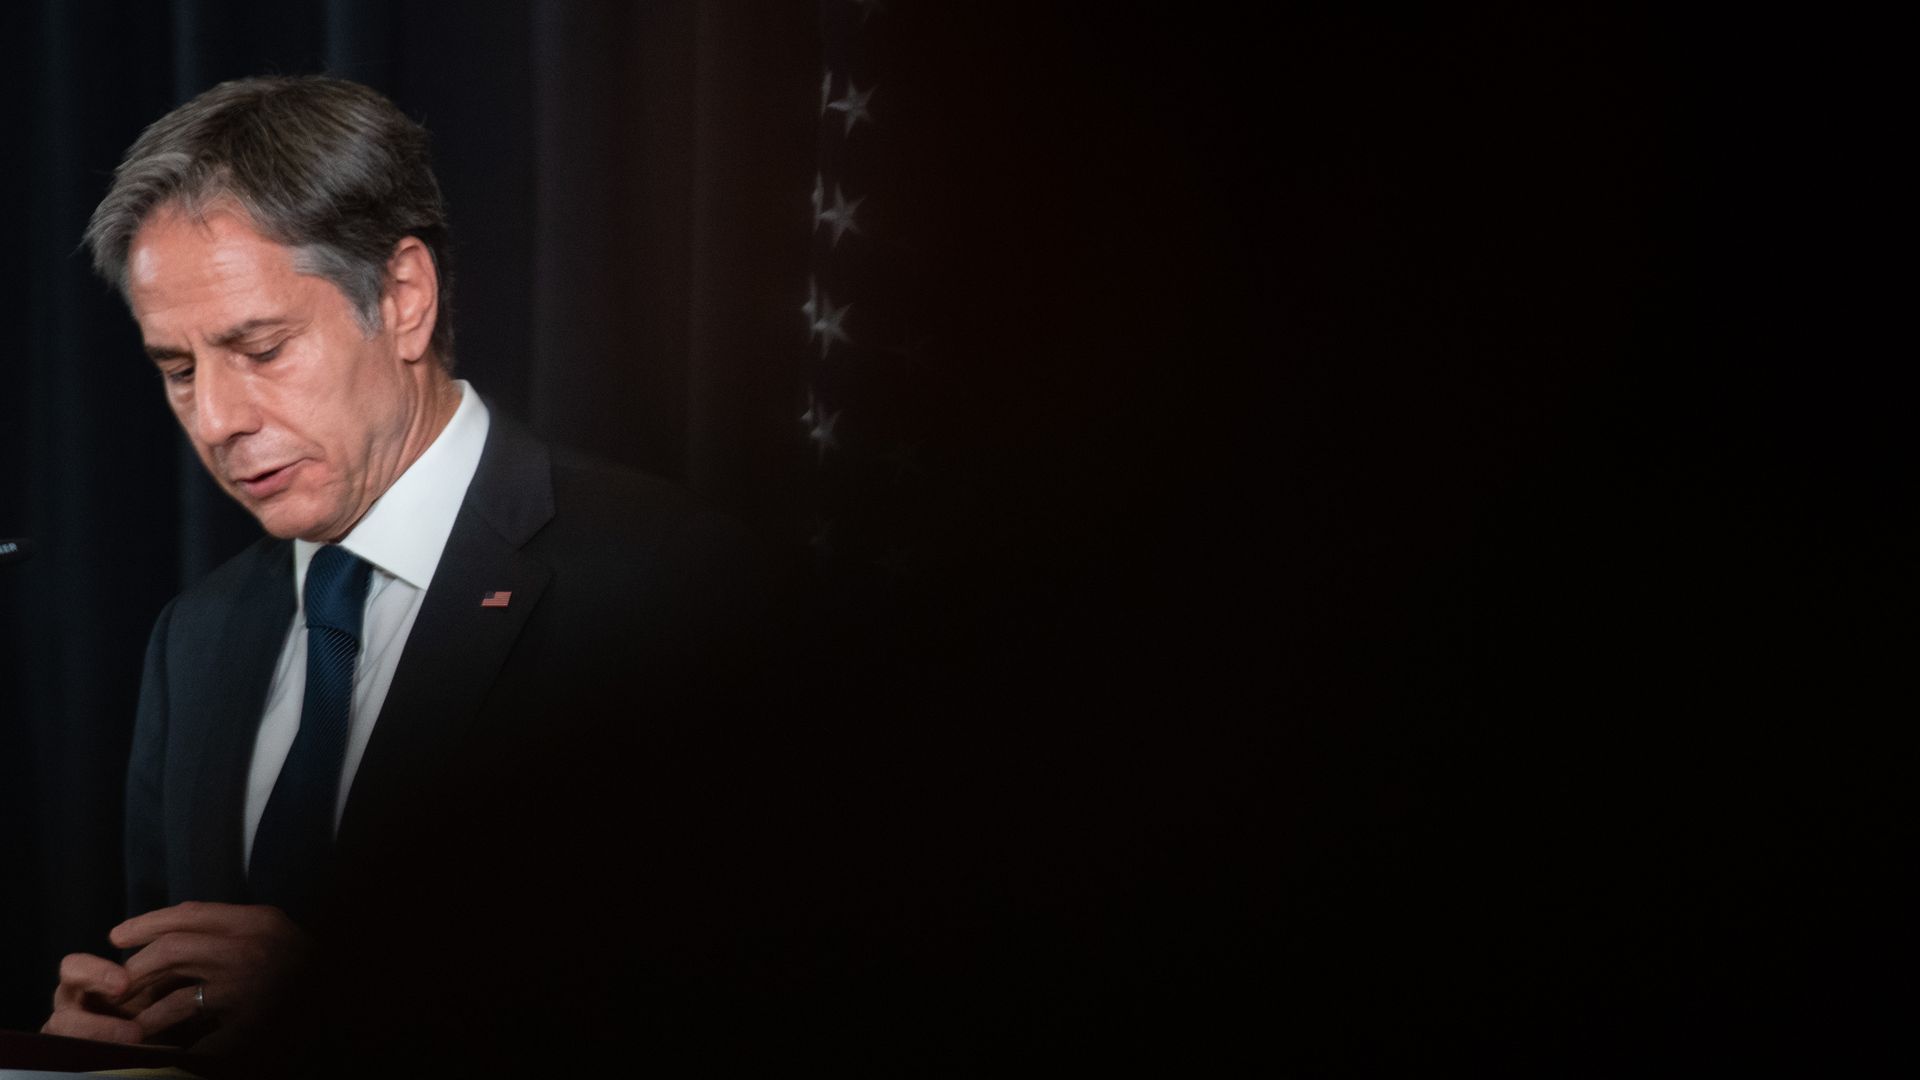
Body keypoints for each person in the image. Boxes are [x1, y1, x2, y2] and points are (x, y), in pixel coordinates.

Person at [40, 75, 791, 1073]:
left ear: (402, 299)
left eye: (259, 348)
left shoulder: (673, 587)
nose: (216, 418)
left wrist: (351, 1008)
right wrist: (103, 1048)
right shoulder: (198, 636)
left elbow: (755, 999)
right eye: (178, 369)